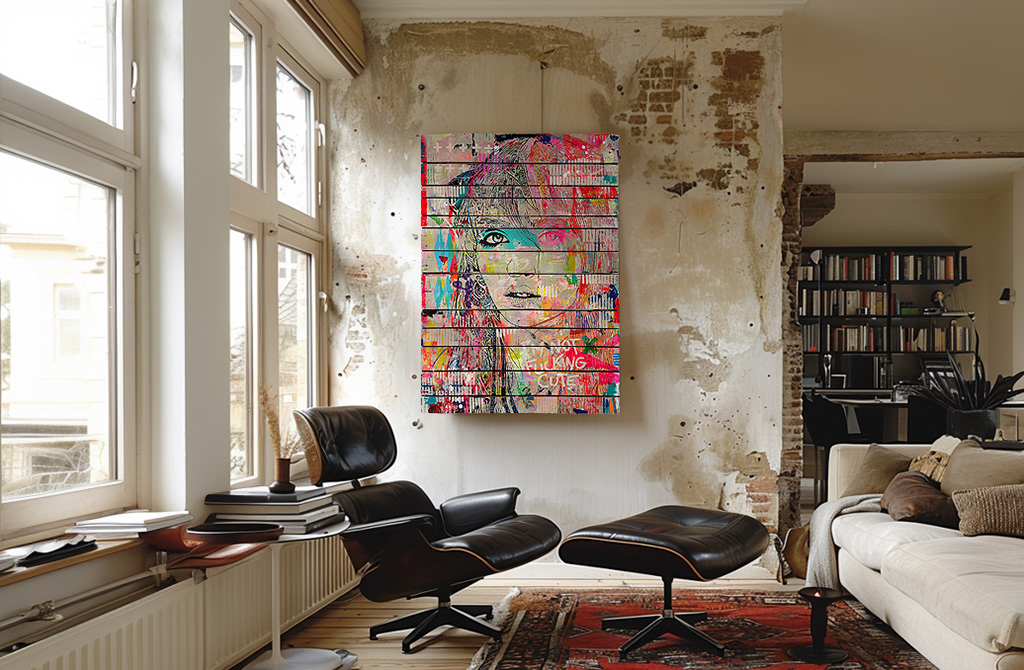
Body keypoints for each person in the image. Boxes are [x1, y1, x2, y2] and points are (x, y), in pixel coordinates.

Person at [421, 133, 620, 413]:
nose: (519, 265)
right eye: (495, 238)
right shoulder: (453, 386)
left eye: (549, 235)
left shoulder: (607, 386)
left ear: (590, 249)